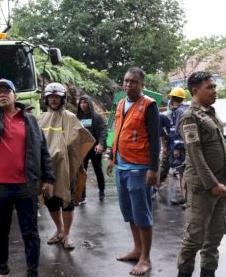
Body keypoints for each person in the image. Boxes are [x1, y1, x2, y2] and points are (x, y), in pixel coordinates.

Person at [0, 76, 55, 277]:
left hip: (26, 185)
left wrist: (49, 179)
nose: (2, 94)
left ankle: (32, 272)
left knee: (30, 233)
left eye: (6, 91)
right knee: (0, 233)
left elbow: (43, 150)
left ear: (15, 95)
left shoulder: (30, 120)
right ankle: (3, 271)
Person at [175, 71, 226, 277]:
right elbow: (195, 153)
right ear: (196, 91)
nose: (214, 91)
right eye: (209, 87)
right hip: (202, 188)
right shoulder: (190, 117)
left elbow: (220, 147)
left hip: (220, 185)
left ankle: (208, 273)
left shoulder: (210, 113)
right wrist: (212, 184)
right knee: (194, 238)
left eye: (214, 87)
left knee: (214, 237)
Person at [105, 67, 159, 276]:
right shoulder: (120, 103)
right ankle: (137, 250)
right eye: (126, 81)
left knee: (142, 215)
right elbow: (117, 133)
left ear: (142, 84)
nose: (128, 85)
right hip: (121, 166)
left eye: (133, 82)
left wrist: (153, 169)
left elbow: (155, 140)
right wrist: (111, 157)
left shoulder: (149, 105)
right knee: (129, 213)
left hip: (140, 168)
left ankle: (146, 258)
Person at [39, 83, 95, 250]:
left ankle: (67, 234)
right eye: (51, 97)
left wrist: (66, 153)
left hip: (67, 167)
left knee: (67, 200)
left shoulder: (70, 117)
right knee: (50, 199)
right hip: (47, 168)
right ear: (47, 99)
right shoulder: (40, 118)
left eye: (56, 97)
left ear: (62, 99)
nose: (54, 99)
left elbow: (82, 139)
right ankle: (59, 230)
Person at [77, 94, 108, 202]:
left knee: (98, 169)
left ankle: (102, 191)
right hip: (83, 149)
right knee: (82, 171)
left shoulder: (96, 116)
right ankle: (82, 195)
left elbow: (104, 130)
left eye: (85, 102)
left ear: (89, 103)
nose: (83, 105)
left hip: (95, 148)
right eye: (81, 103)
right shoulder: (78, 117)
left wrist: (101, 144)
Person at [166, 87, 189, 205]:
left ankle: (185, 198)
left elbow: (177, 131)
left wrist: (176, 148)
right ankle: (185, 197)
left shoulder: (179, 112)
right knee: (184, 172)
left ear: (173, 99)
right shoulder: (187, 109)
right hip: (188, 147)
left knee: (182, 172)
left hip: (181, 148)